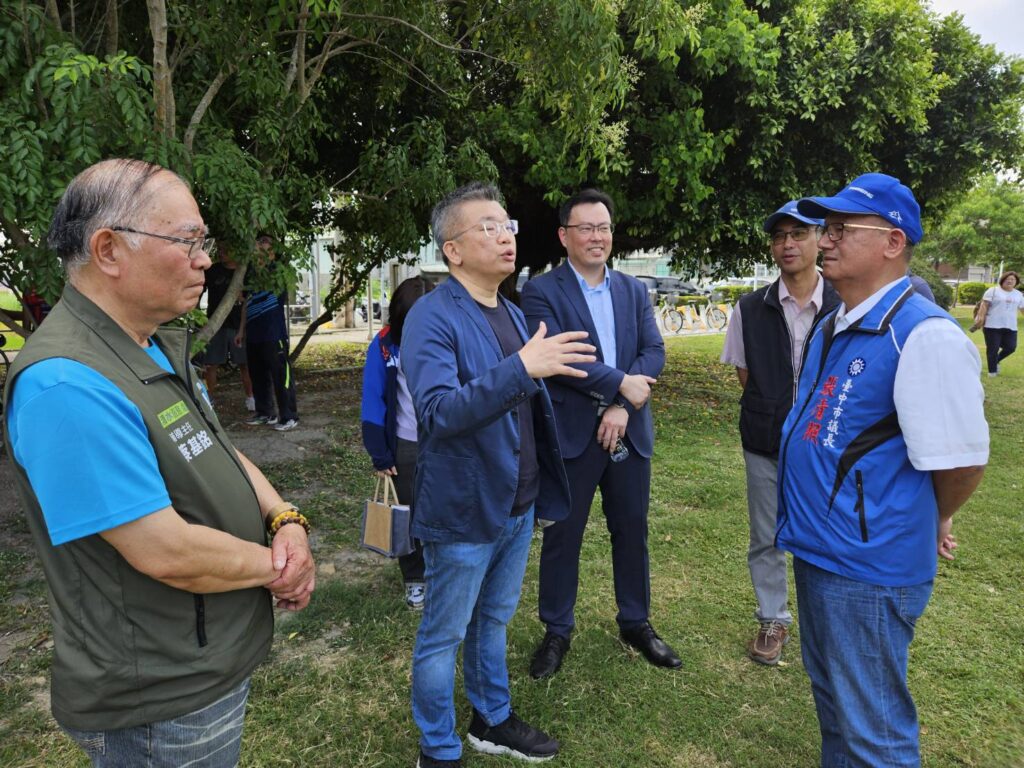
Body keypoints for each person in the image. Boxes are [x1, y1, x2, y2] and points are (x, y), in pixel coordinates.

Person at [2, 159, 315, 766]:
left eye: (204, 242)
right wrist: (281, 568)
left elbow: (219, 451)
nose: (205, 259)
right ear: (110, 250)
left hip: (202, 659)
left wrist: (283, 517)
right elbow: (163, 549)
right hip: (160, 697)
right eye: (188, 241)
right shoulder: (67, 383)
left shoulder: (152, 343)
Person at [777, 172, 989, 765]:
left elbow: (962, 461)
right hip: (822, 551)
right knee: (838, 711)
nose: (826, 240)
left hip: (867, 568)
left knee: (875, 733)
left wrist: (933, 516)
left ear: (893, 242)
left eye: (843, 229)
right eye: (828, 228)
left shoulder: (924, 338)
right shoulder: (836, 322)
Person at [402, 181, 595, 768]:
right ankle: (437, 749)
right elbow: (437, 412)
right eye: (487, 226)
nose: (506, 234)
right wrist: (521, 368)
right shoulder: (432, 317)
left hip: (518, 502)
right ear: (452, 250)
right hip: (464, 509)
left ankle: (491, 717)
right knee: (443, 635)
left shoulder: (511, 310)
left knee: (495, 620)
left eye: (506, 223)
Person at [521, 188, 680, 680]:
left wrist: (620, 404)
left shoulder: (633, 290)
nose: (597, 237)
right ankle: (556, 630)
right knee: (563, 535)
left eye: (604, 227)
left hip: (627, 429)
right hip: (571, 433)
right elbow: (557, 358)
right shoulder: (541, 291)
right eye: (586, 228)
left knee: (632, 530)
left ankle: (635, 621)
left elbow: (652, 351)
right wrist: (619, 385)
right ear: (564, 235)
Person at [719, 200, 840, 665]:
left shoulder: (843, 304)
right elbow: (745, 374)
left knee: (825, 530)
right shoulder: (750, 308)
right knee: (766, 534)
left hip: (825, 445)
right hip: (765, 440)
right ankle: (773, 618)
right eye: (778, 236)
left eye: (798, 234)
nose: (787, 244)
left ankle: (827, 621)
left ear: (820, 239)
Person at [360, 275, 432, 609]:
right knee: (409, 517)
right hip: (407, 445)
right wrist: (379, 452)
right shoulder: (386, 344)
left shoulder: (450, 335)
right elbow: (373, 399)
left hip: (449, 443)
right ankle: (414, 579)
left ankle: (445, 573)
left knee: (447, 511)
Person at [240, 235, 299, 431]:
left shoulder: (279, 271)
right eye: (257, 243)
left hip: (274, 333)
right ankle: (265, 413)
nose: (259, 246)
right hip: (254, 332)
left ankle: (289, 416)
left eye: (264, 243)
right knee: (257, 375)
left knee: (281, 375)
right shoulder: (249, 273)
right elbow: (244, 303)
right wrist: (241, 330)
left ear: (272, 251)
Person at [200, 250, 255, 410]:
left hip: (239, 324)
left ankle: (251, 398)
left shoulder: (245, 270)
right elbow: (198, 293)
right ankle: (208, 399)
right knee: (211, 363)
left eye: (226, 247)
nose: (221, 251)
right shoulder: (212, 270)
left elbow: (253, 297)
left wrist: (242, 299)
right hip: (216, 324)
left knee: (245, 363)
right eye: (219, 245)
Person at [970, 270, 1024, 376]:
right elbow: (984, 306)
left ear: (1016, 282)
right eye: (1008, 279)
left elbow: (1022, 308)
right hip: (992, 325)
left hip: (1010, 325)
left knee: (1011, 347)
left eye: (1013, 279)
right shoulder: (993, 291)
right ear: (1002, 280)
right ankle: (992, 372)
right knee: (993, 349)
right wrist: (980, 319)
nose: (1010, 281)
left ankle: (996, 361)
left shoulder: (1018, 294)